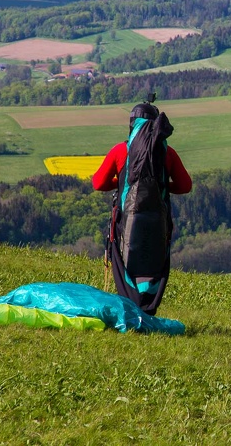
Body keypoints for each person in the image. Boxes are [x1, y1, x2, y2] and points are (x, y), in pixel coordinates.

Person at [92, 100, 192, 315]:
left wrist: (122, 183)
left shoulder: (121, 150)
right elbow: (185, 186)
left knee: (127, 259)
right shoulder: (168, 152)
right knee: (153, 261)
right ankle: (148, 309)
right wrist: (161, 186)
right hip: (159, 220)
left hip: (127, 218)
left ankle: (129, 311)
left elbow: (98, 183)